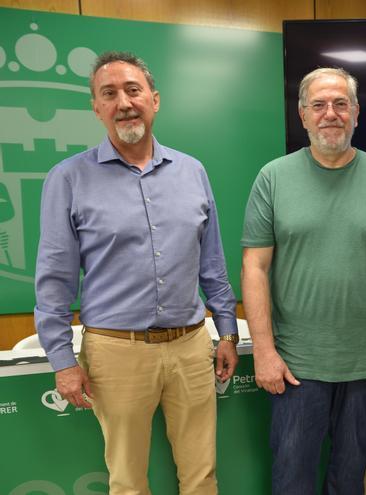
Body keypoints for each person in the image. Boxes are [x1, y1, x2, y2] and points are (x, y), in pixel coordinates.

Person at [34, 51, 239, 494]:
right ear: (96, 107)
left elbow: (213, 262)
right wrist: (63, 361)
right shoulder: (67, 179)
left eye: (133, 90)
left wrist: (226, 331)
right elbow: (54, 277)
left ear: (155, 99)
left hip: (191, 347)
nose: (124, 102)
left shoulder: (192, 171)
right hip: (115, 352)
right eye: (109, 94)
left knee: (201, 473)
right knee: (126, 480)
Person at [241, 67, 366, 495]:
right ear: (303, 115)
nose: (331, 114)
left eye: (341, 104)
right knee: (293, 475)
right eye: (319, 105)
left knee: (351, 472)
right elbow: (254, 267)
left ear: (356, 113)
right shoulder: (273, 178)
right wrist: (264, 352)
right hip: (296, 365)